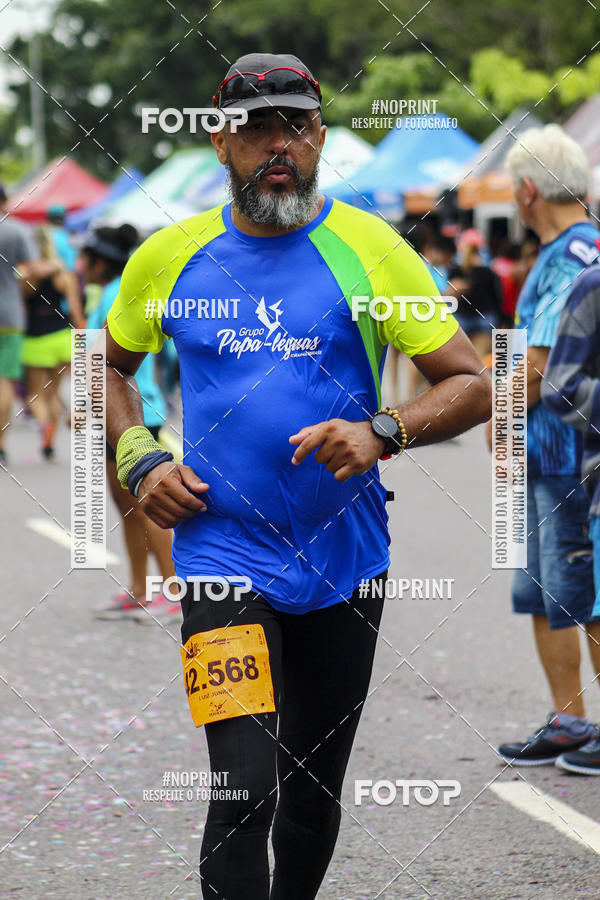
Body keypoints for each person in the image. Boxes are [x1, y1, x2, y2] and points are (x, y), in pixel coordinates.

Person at [103, 52, 491, 898]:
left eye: (296, 126)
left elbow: (469, 383)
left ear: (319, 136)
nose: (279, 144)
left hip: (344, 558)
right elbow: (109, 370)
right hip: (219, 557)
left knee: (311, 796)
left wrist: (383, 430)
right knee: (244, 785)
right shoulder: (168, 256)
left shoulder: (374, 248)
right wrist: (141, 458)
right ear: (221, 141)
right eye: (256, 128)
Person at [491, 124, 600, 767]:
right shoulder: (563, 251)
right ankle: (569, 720)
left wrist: (496, 419)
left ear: (528, 190)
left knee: (581, 593)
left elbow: (536, 366)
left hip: (569, 457)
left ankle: (587, 724)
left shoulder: (573, 256)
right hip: (543, 456)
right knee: (542, 591)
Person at [76, 225, 177, 623]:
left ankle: (172, 591)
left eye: (84, 259)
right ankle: (139, 590)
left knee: (146, 507)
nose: (80, 266)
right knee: (130, 509)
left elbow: (105, 362)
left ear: (100, 262)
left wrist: (86, 407)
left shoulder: (119, 292)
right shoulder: (109, 292)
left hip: (136, 417)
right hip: (120, 415)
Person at [541, 257, 600, 774]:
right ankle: (572, 720)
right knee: (558, 597)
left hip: (552, 464)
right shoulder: (589, 278)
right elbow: (550, 380)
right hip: (561, 467)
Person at [0, 184, 61, 464]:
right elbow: (33, 270)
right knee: (6, 382)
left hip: (29, 331)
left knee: (35, 389)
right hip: (11, 318)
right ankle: (1, 442)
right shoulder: (15, 231)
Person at [22, 226, 84, 459]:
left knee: (34, 395)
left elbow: (19, 307)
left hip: (35, 339)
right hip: (61, 337)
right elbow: (76, 313)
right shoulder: (63, 274)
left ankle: (44, 425)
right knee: (54, 394)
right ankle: (51, 441)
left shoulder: (26, 274)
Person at [447, 228, 503, 359]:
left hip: (461, 319)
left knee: (464, 360)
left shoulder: (455, 271)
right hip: (485, 317)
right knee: (480, 361)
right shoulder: (488, 271)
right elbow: (497, 299)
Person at [47, 204, 77, 271]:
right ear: (64, 218)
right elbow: (72, 265)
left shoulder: (44, 236)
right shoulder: (69, 238)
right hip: (67, 277)